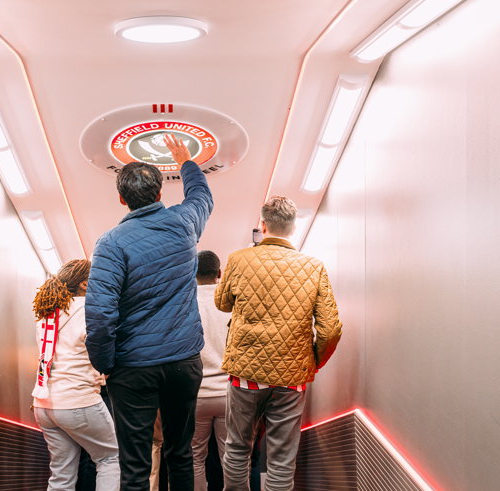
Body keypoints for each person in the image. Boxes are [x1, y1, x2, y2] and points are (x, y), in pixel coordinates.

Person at [85, 134, 214, 491]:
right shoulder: (184, 223)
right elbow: (202, 196)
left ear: (122, 199)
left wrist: (106, 364)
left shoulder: (111, 243)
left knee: (136, 465)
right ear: (159, 194)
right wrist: (187, 161)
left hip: (133, 368)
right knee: (180, 453)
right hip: (184, 362)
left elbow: (99, 314)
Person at [215, 196, 343, 491]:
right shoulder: (314, 267)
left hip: (246, 374)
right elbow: (330, 329)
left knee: (236, 448)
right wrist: (312, 362)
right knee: (282, 459)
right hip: (291, 377)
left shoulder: (239, 259)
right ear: (294, 227)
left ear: (262, 225)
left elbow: (222, 302)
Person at [32, 259, 120, 491]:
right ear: (84, 283)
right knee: (110, 458)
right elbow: (101, 352)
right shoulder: (88, 311)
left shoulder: (47, 313)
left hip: (44, 405)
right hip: (77, 402)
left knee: (61, 476)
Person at [190, 250, 231, 491]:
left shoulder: (183, 301)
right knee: (233, 458)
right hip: (230, 393)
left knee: (195, 458)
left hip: (195, 394)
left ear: (191, 272)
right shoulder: (232, 302)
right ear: (219, 274)